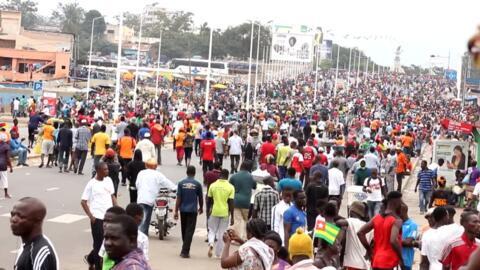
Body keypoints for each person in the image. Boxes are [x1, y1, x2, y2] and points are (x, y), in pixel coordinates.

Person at [81, 162, 117, 270]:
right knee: (98, 244)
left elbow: (112, 196)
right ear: (98, 171)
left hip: (110, 218)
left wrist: (118, 210)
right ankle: (97, 266)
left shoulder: (109, 180)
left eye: (107, 169)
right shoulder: (91, 184)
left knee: (108, 242)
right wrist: (91, 217)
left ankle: (91, 258)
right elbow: (83, 201)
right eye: (105, 170)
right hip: (98, 219)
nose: (107, 171)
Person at [358, 191, 405, 270]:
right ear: (396, 202)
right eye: (400, 201)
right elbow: (393, 240)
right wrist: (401, 258)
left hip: (376, 261)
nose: (401, 204)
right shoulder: (397, 221)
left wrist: (369, 250)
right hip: (389, 263)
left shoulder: (376, 218)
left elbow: (360, 233)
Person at [11, 197, 59, 269]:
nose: (13, 219)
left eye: (20, 216)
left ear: (37, 220)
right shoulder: (27, 245)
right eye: (12, 215)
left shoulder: (39, 252)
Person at [136, 158, 176, 236]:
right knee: (145, 219)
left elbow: (137, 184)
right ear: (155, 166)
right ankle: (141, 236)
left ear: (146, 165)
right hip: (150, 199)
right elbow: (166, 182)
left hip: (141, 198)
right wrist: (175, 188)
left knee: (144, 218)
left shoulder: (141, 173)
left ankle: (143, 235)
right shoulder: (157, 174)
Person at [174, 166, 204, 258]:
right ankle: (185, 251)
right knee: (189, 231)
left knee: (184, 230)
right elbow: (201, 198)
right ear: (194, 173)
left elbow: (178, 198)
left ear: (186, 172)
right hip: (192, 210)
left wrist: (176, 210)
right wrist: (201, 207)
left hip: (183, 210)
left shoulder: (181, 183)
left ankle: (185, 248)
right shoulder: (197, 184)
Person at [207, 169, 234, 259]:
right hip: (225, 212)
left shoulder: (213, 185)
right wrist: (232, 216)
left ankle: (211, 243)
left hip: (214, 210)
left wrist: (208, 211)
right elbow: (231, 202)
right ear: (227, 176)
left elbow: (209, 200)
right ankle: (218, 254)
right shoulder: (230, 187)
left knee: (212, 229)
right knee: (222, 233)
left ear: (220, 175)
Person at [230, 160, 257, 239]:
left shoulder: (234, 176)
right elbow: (254, 186)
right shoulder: (250, 176)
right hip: (246, 202)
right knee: (245, 220)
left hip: (235, 201)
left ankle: (237, 238)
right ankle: (245, 237)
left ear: (241, 166)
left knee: (237, 220)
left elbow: (230, 186)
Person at [342, 201, 371, 270]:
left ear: (352, 211)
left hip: (352, 263)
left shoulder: (351, 221)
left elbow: (339, 223)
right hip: (365, 264)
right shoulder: (367, 226)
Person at [401, 203, 419, 270]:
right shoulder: (395, 223)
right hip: (394, 260)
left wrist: (392, 240)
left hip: (406, 261)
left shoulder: (412, 225)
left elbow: (408, 242)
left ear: (403, 211)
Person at [0, 132, 12, 198]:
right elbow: (8, 158)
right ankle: (6, 194)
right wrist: (10, 166)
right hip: (3, 164)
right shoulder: (6, 146)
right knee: (4, 178)